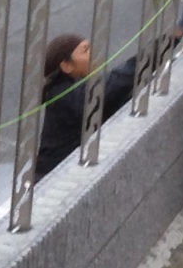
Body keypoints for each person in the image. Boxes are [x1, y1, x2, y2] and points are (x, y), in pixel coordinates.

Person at [33, 32, 138, 177]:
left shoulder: (71, 89)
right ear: (67, 66)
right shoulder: (67, 96)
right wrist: (156, 52)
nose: (93, 53)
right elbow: (115, 83)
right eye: (85, 50)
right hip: (53, 178)